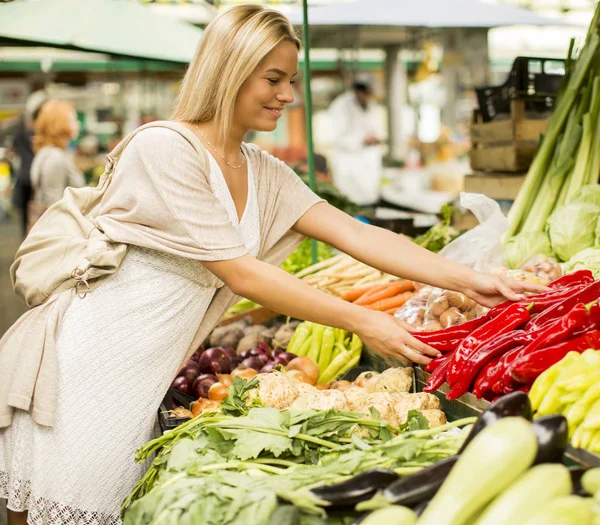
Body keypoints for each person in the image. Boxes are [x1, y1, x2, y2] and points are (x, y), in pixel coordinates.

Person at [0, 6, 545, 525]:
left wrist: (477, 278)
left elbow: (356, 233)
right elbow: (242, 273)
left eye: (291, 80)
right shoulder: (165, 150)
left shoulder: (262, 171)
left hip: (145, 376)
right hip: (89, 368)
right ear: (230, 71)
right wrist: (363, 319)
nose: (287, 95)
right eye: (273, 79)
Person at [27, 100, 85, 232]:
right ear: (59, 124)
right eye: (73, 120)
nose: (77, 123)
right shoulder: (55, 157)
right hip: (60, 233)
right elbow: (54, 204)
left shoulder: (47, 152)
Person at [328, 80, 383, 206]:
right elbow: (339, 137)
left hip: (368, 163)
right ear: (358, 92)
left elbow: (374, 126)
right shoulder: (341, 106)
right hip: (350, 163)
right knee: (352, 204)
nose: (368, 98)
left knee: (370, 201)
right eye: (366, 94)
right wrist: (363, 140)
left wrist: (373, 138)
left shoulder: (370, 105)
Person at [10, 91, 47, 237]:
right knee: (36, 208)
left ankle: (26, 237)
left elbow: (13, 150)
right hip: (35, 175)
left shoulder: (19, 132)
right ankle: (32, 236)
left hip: (23, 176)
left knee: (26, 212)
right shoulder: (38, 134)